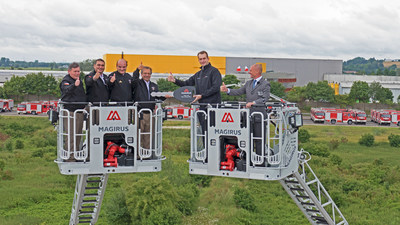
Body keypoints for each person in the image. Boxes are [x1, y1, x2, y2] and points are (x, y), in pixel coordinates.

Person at [221, 63, 270, 164]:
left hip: (259, 117)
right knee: (248, 139)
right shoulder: (248, 83)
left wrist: (253, 103)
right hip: (248, 117)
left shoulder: (265, 84)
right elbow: (239, 91)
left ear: (257, 71)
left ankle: (260, 162)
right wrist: (228, 90)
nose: (249, 72)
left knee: (259, 140)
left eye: (251, 70)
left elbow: (265, 98)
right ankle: (249, 161)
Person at [168, 50, 222, 135]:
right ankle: (206, 148)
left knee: (214, 133)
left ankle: (215, 148)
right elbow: (186, 84)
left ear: (208, 59)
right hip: (202, 107)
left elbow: (216, 87)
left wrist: (201, 95)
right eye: (200, 59)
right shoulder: (198, 74)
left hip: (213, 107)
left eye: (204, 58)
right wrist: (175, 80)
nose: (202, 61)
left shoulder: (214, 71)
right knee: (204, 132)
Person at [135, 66, 171, 152]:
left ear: (151, 74)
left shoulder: (154, 86)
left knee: (148, 136)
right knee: (137, 135)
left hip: (151, 114)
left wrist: (165, 96)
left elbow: (157, 98)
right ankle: (137, 155)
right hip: (139, 114)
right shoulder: (137, 84)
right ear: (141, 74)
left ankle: (147, 155)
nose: (147, 75)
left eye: (148, 73)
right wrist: (137, 70)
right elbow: (134, 78)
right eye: (145, 73)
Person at [60, 62, 87, 161]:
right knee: (71, 135)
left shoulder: (78, 81)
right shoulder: (66, 80)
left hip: (79, 112)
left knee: (78, 135)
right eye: (75, 71)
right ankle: (70, 157)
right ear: (69, 71)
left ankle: (75, 154)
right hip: (70, 112)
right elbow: (66, 90)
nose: (77, 73)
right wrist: (74, 85)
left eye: (78, 71)